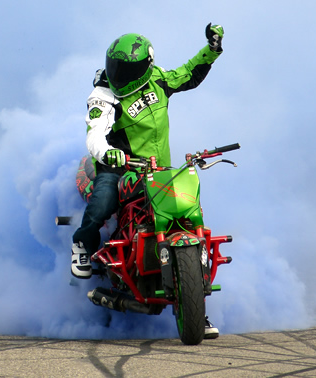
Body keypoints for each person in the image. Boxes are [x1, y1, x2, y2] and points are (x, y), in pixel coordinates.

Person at [72, 23, 224, 337]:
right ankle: (82, 244)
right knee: (102, 202)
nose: (118, 74)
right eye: (115, 66)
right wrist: (109, 154)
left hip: (158, 171)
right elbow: (94, 136)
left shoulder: (158, 78)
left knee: (186, 211)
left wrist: (211, 49)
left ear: (145, 68)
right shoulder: (102, 94)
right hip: (119, 166)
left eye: (125, 69)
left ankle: (196, 305)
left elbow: (188, 74)